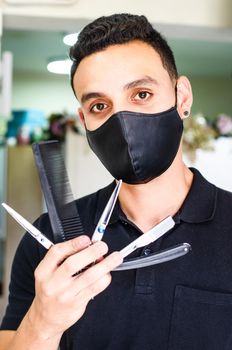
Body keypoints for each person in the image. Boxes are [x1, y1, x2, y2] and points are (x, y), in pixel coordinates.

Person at [1, 13, 232, 350]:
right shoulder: (49, 241)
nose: (122, 121)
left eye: (141, 94)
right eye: (99, 105)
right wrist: (43, 323)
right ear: (85, 121)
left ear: (182, 97)